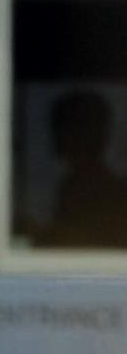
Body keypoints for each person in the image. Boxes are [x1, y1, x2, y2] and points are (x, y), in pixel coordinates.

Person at [44, 89, 127, 248]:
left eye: (60, 127)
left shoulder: (103, 191)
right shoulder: (72, 185)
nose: (55, 136)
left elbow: (77, 241)